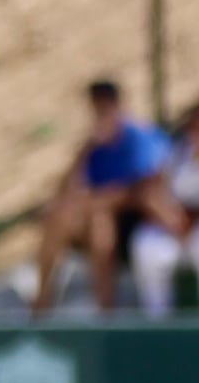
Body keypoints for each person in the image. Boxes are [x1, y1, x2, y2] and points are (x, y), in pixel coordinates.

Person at [32, 80, 186, 314]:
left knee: (99, 222)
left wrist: (94, 202)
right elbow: (66, 191)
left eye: (104, 108)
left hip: (137, 224)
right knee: (60, 215)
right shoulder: (95, 147)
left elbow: (143, 191)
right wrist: (83, 151)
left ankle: (106, 311)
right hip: (99, 216)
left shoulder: (139, 139)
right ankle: (42, 299)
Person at [129, 104, 199, 318]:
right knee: (147, 246)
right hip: (172, 225)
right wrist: (166, 216)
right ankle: (157, 320)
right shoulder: (176, 152)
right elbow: (149, 191)